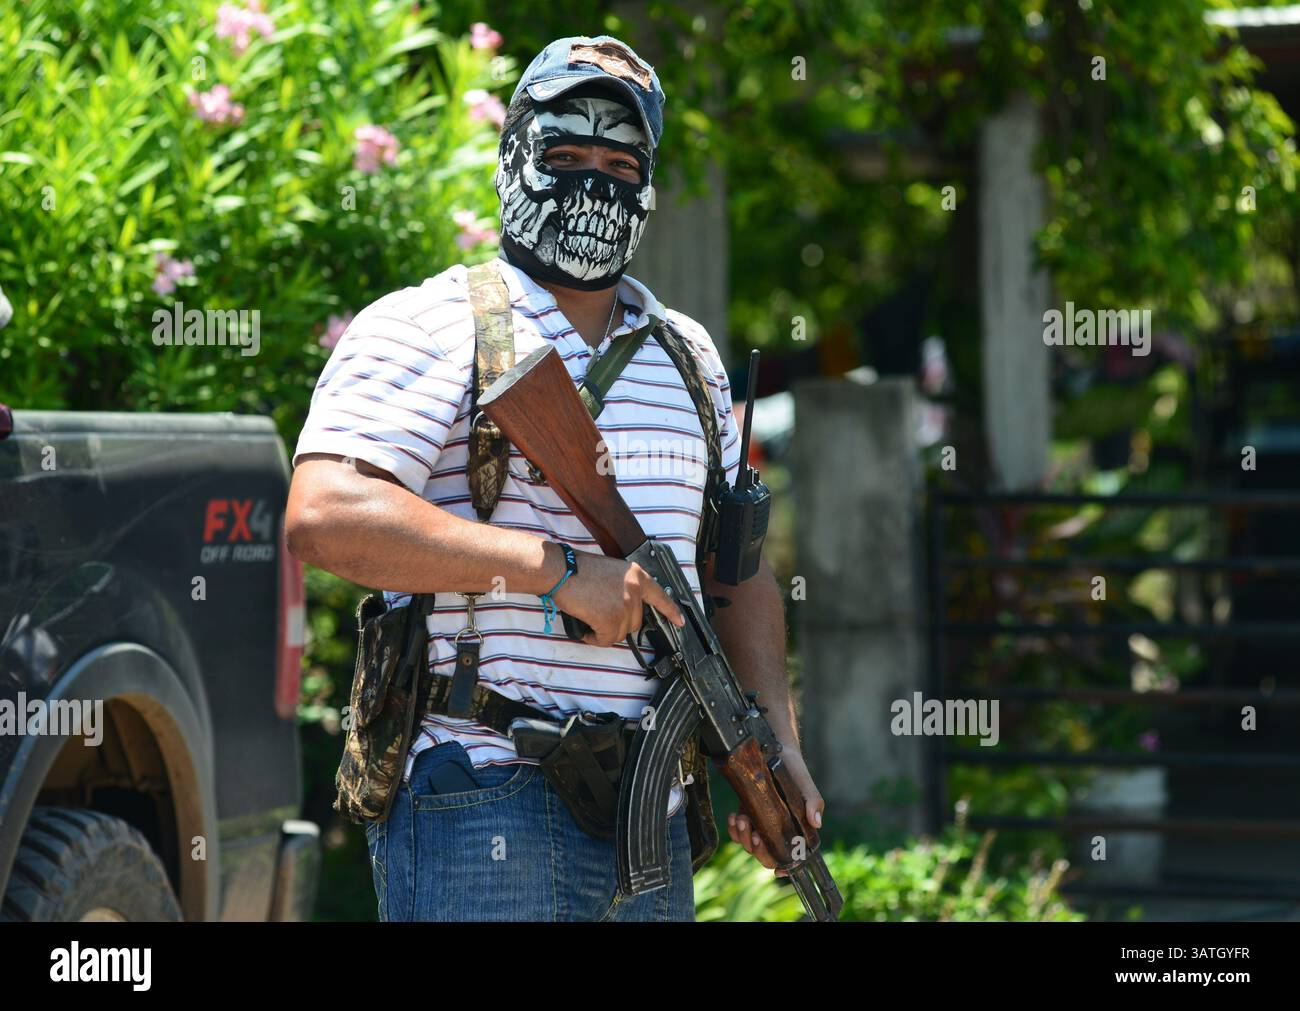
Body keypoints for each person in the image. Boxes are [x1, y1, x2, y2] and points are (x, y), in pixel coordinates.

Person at [286, 34, 824, 921]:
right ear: (511, 159)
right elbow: (324, 514)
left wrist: (774, 741)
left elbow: (739, 572)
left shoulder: (688, 357)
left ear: (648, 187)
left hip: (651, 814)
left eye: (620, 164)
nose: (593, 183)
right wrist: (559, 572)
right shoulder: (433, 323)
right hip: (482, 793)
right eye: (565, 156)